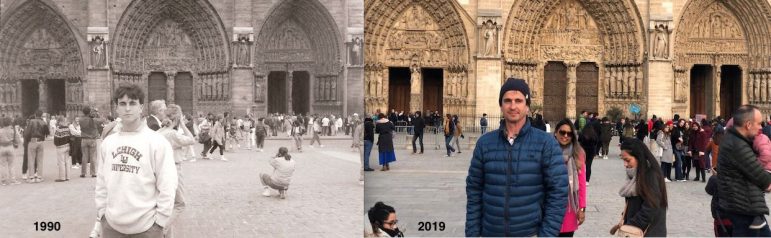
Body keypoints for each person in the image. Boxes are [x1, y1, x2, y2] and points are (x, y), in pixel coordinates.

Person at [466, 78, 567, 237]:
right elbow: (474, 192)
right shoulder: (484, 144)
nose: (513, 106)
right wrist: (472, 234)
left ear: (527, 106)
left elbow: (559, 193)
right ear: (501, 106)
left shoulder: (546, 143)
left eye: (518, 101)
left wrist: (547, 235)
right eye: (507, 101)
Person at [95, 84, 177, 237]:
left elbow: (168, 184)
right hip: (111, 227)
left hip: (147, 229)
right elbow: (101, 182)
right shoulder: (108, 143)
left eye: (132, 103)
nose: (127, 108)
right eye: (122, 103)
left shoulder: (157, 142)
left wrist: (159, 222)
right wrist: (102, 214)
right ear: (116, 108)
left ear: (141, 107)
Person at [717, 105, 771, 236]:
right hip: (744, 209)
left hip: (747, 208)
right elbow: (762, 178)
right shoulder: (737, 145)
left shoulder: (737, 141)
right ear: (748, 124)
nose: (760, 127)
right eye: (758, 124)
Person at [611, 138, 668, 237]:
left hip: (648, 232)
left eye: (627, 160)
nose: (625, 164)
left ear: (639, 157)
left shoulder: (650, 174)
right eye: (623, 160)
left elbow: (651, 207)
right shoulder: (636, 174)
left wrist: (630, 225)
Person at [157, 104, 195, 238]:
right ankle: (159, 229)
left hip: (160, 170)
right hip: (175, 169)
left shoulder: (158, 133)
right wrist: (183, 125)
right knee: (180, 204)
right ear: (177, 119)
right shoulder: (172, 134)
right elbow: (192, 139)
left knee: (167, 205)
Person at [553, 119, 587, 237]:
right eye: (562, 132)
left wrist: (582, 208)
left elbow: (582, 183)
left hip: (570, 207)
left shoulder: (578, 154)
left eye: (569, 133)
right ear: (556, 132)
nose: (565, 136)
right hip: (550, 205)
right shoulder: (547, 151)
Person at [24, 110, 49, 183]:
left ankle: (31, 177)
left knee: (31, 159)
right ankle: (39, 177)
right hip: (40, 141)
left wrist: (28, 140)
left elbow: (27, 133)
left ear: (35, 115)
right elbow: (47, 132)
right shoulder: (44, 122)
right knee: (40, 160)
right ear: (41, 115)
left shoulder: (31, 122)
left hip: (32, 141)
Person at [80, 107, 101, 178]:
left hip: (84, 139)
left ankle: (83, 173)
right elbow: (102, 120)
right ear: (89, 112)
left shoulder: (81, 120)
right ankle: (93, 173)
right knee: (93, 156)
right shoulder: (93, 120)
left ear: (83, 112)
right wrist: (97, 113)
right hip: (92, 139)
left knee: (84, 156)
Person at [0, 117, 20, 185]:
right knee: (11, 165)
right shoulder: (12, 130)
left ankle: (3, 181)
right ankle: (13, 180)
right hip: (10, 146)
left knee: (3, 165)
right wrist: (16, 144)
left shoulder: (0, 131)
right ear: (9, 122)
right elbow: (17, 138)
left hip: (2, 147)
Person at [578, 120, 598, 185]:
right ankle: (587, 180)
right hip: (591, 151)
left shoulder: (582, 133)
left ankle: (581, 179)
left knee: (582, 165)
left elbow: (579, 140)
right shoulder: (594, 134)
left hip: (583, 150)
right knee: (589, 165)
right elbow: (596, 142)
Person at [53, 116, 72, 182]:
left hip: (60, 147)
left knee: (61, 162)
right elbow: (70, 137)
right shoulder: (67, 128)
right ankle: (68, 177)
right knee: (67, 162)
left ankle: (62, 177)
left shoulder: (59, 129)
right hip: (67, 146)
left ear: (60, 122)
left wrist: (56, 145)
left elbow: (56, 139)